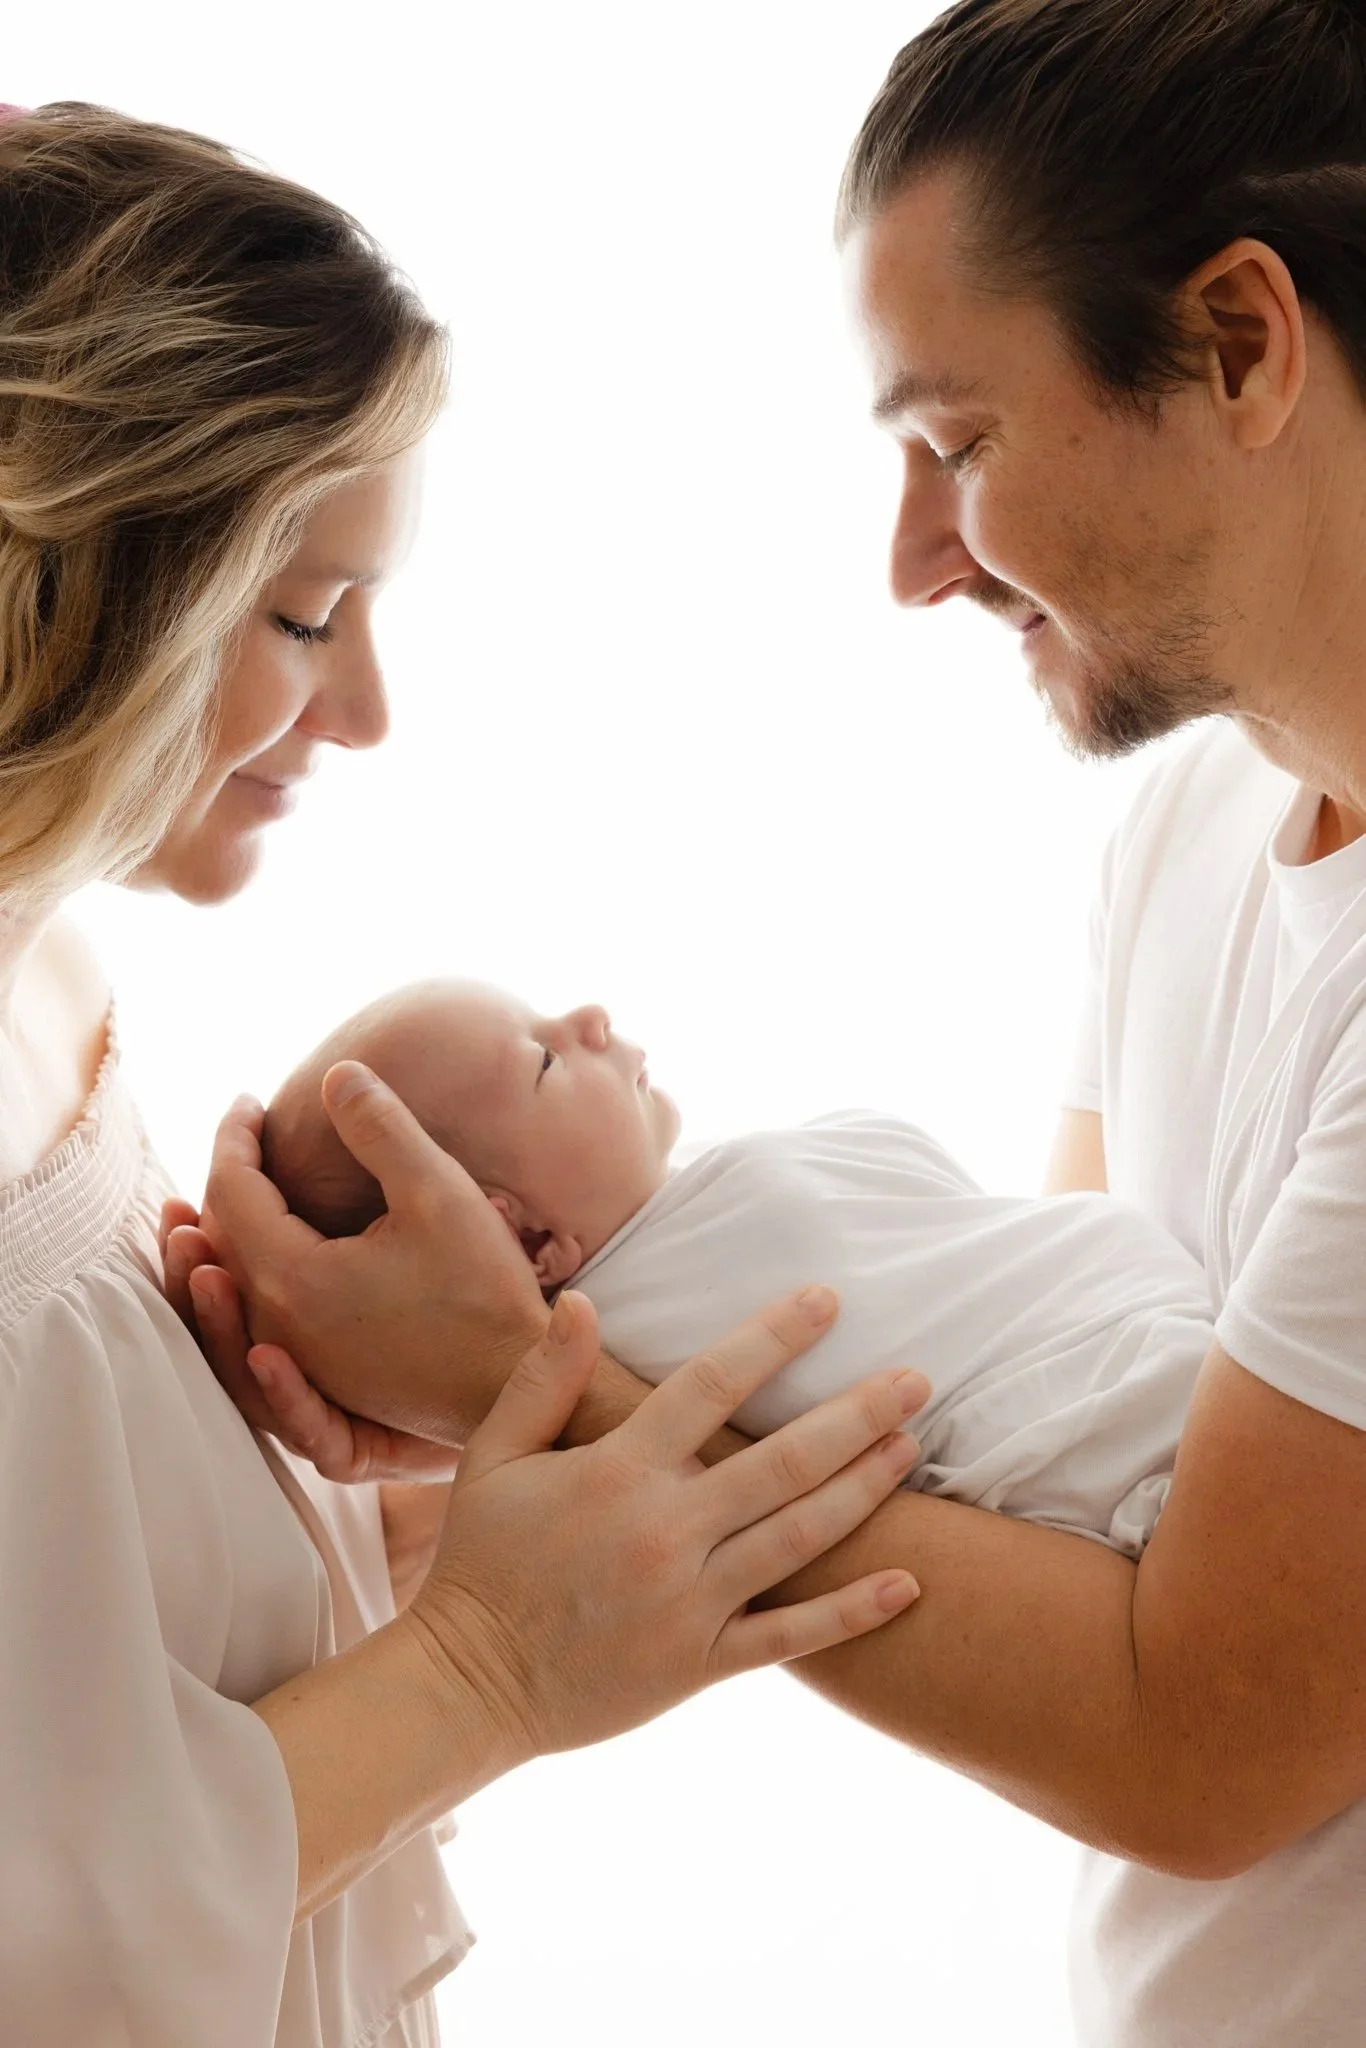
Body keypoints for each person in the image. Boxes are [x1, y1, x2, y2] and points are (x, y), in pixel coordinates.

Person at [195, 5, 1366, 2042]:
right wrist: (442, 1498)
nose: (912, 559)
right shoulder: (1177, 832)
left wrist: (533, 1377)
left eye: (961, 442)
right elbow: (1035, 1470)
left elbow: (1187, 1732)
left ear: (1243, 347)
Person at [0, 101, 926, 2048]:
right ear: (76, 573)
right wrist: (489, 1662)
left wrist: (387, 1519)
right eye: (307, 615)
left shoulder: (53, 970)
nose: (365, 709)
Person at [262, 975, 1213, 1558]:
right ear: (523, 1243)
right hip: (1132, 1421)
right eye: (544, 1061)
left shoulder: (608, 1363)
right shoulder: (646, 1308)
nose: (590, 1017)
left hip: (1145, 1376)